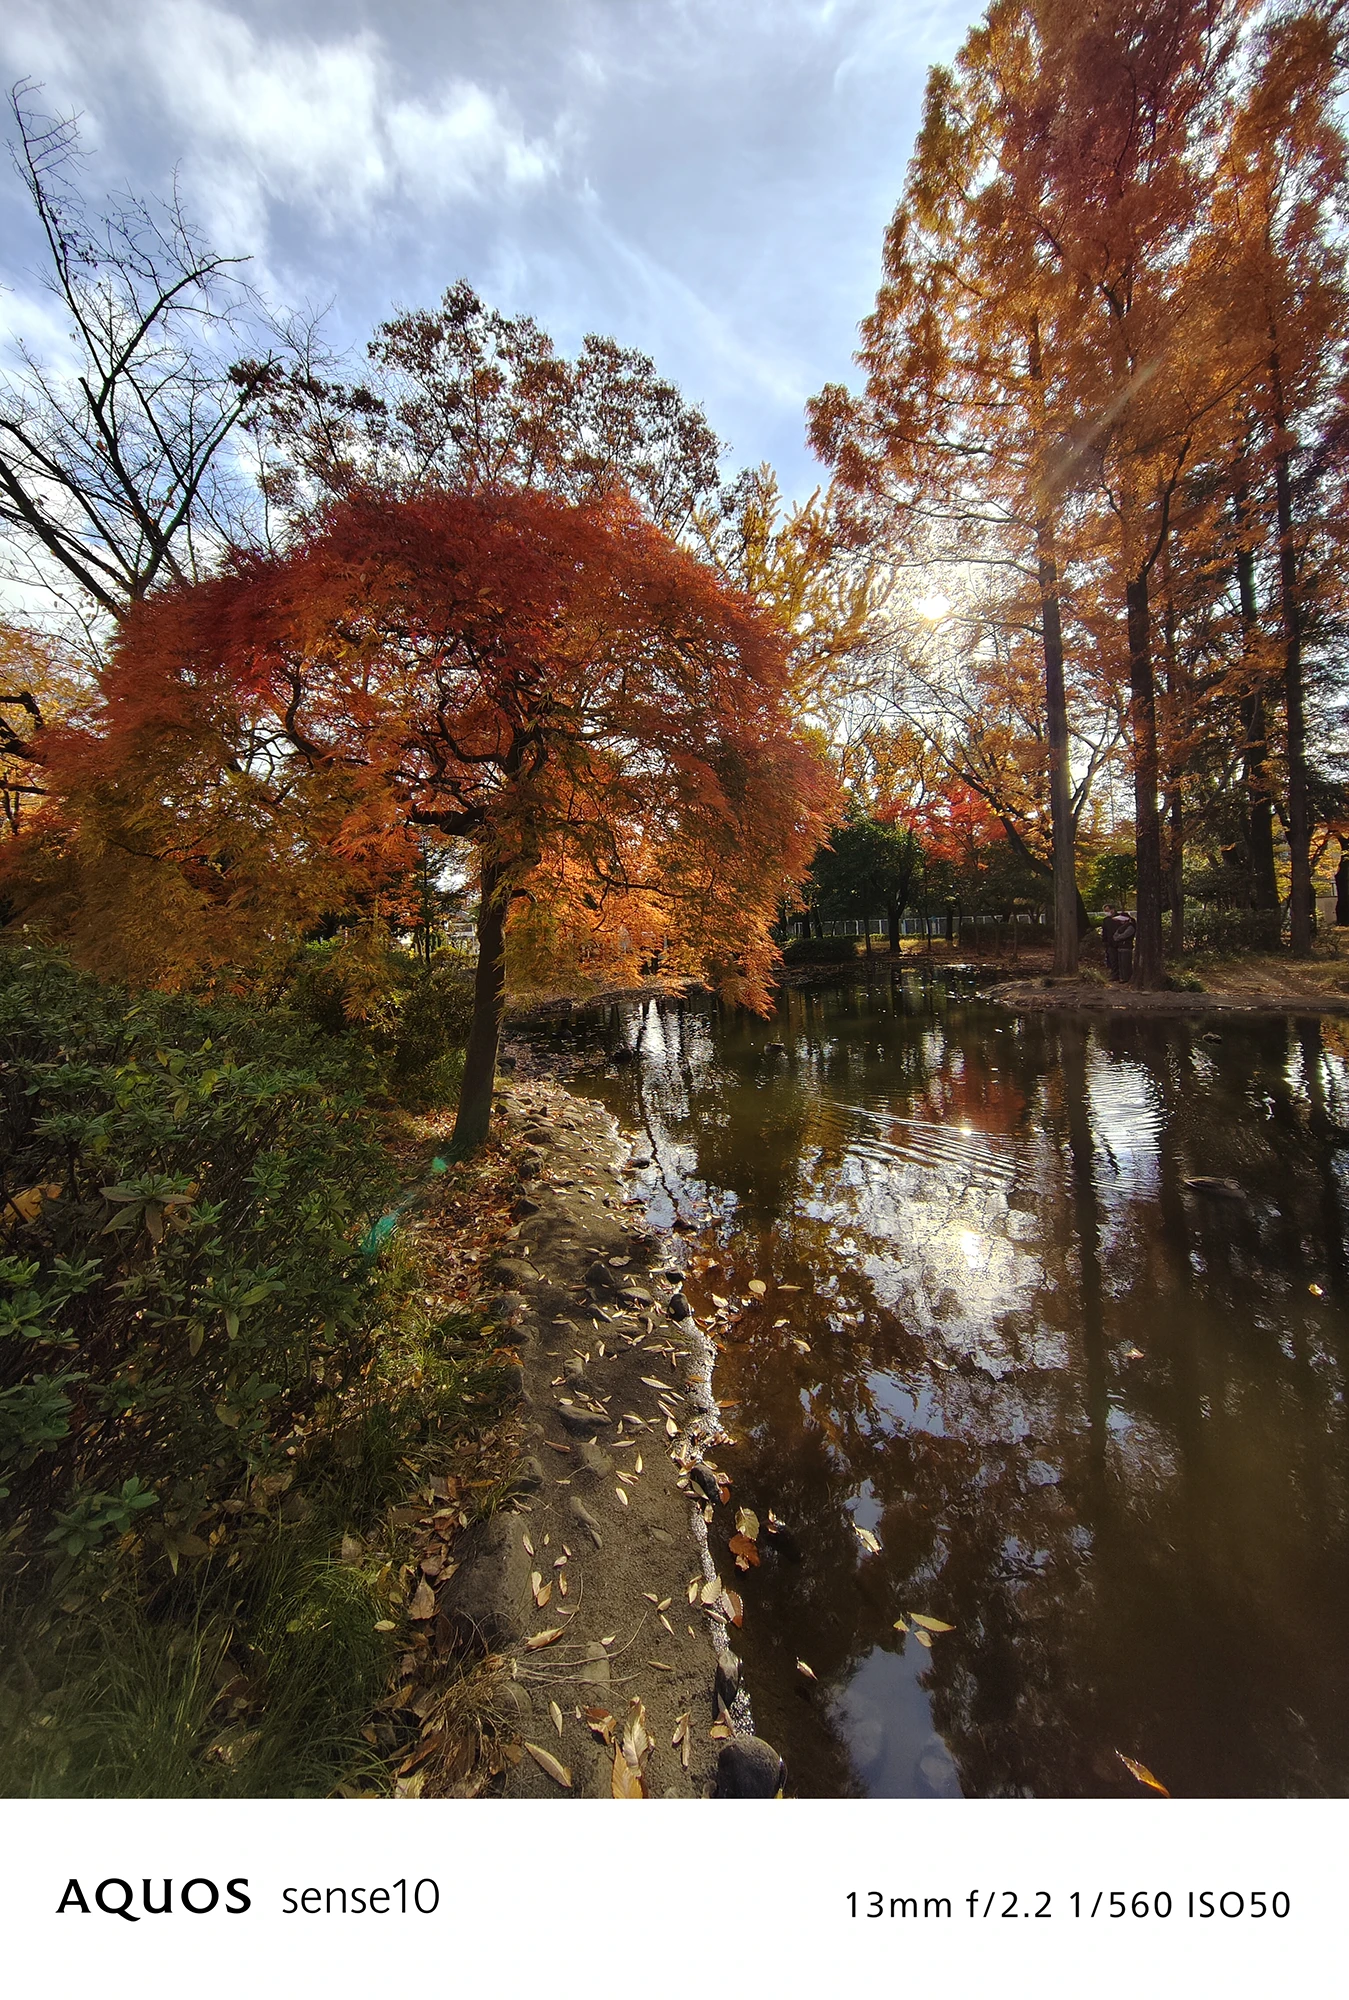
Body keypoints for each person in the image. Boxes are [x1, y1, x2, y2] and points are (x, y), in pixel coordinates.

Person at [1113, 907, 1137, 982]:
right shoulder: (1121, 927)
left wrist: (1119, 937)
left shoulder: (1131, 926)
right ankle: (1122, 977)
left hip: (1126, 947)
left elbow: (1125, 935)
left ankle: (1126, 978)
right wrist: (1117, 937)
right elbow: (1115, 935)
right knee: (1121, 964)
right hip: (1120, 946)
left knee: (1126, 963)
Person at [1101, 904, 1121, 980]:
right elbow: (1104, 932)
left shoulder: (1120, 918)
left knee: (1120, 959)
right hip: (1110, 943)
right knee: (1112, 960)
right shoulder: (1106, 920)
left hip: (1120, 942)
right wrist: (1104, 941)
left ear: (1112, 909)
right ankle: (1114, 974)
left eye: (1107, 910)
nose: (1106, 912)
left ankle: (1121, 974)